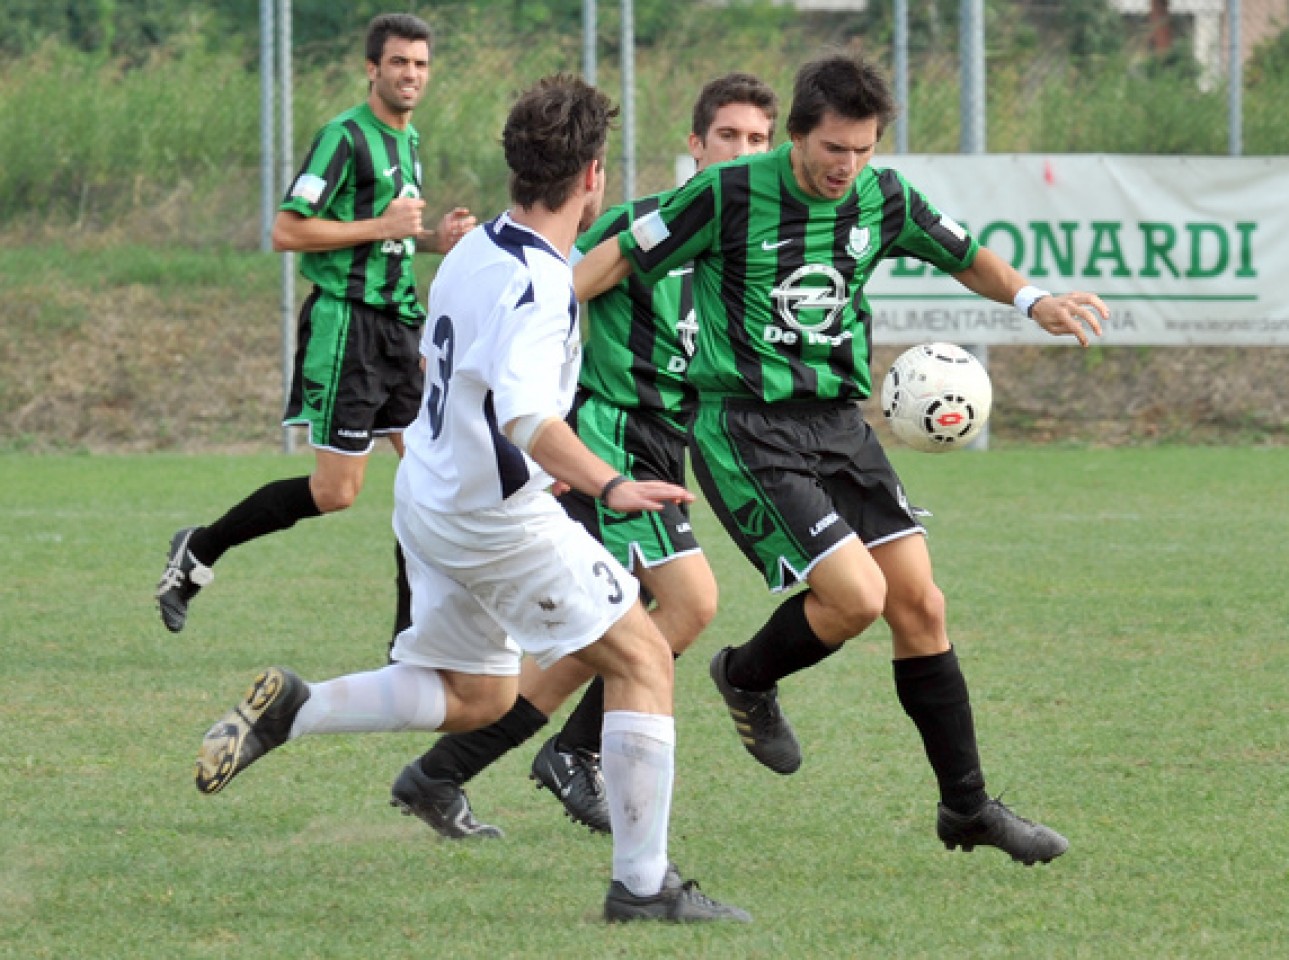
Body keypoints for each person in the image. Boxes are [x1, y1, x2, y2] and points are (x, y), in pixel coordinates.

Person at [193, 74, 750, 925]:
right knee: (642, 657)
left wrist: (525, 455)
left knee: (476, 695)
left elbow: (461, 376)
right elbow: (527, 414)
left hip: (430, 496)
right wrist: (606, 479)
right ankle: (645, 888)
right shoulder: (542, 284)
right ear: (593, 176)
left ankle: (299, 711)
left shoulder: (473, 248)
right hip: (496, 522)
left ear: (517, 165)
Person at [576, 52, 1109, 866]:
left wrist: (1035, 300)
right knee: (856, 597)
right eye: (834, 149)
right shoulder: (728, 193)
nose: (848, 167)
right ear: (796, 137)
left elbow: (963, 253)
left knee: (920, 605)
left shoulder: (881, 199)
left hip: (839, 426)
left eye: (863, 149)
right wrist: (526, 311)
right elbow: (616, 257)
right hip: (747, 427)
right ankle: (746, 675)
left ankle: (967, 808)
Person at [388, 73, 780, 840]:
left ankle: (449, 770)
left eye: (758, 141)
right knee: (684, 606)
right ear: (695, 146)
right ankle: (571, 756)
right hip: (606, 437)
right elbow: (556, 290)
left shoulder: (753, 252)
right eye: (727, 136)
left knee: (604, 635)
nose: (742, 152)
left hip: (665, 442)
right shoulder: (644, 227)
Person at [155, 12, 477, 648]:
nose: (411, 74)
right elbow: (288, 231)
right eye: (398, 63)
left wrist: (431, 240)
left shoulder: (407, 140)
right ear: (371, 69)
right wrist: (383, 228)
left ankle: (407, 642)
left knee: (432, 482)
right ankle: (199, 548)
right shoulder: (344, 137)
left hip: (398, 330)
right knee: (336, 492)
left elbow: (384, 231)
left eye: (421, 64)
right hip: (346, 329)